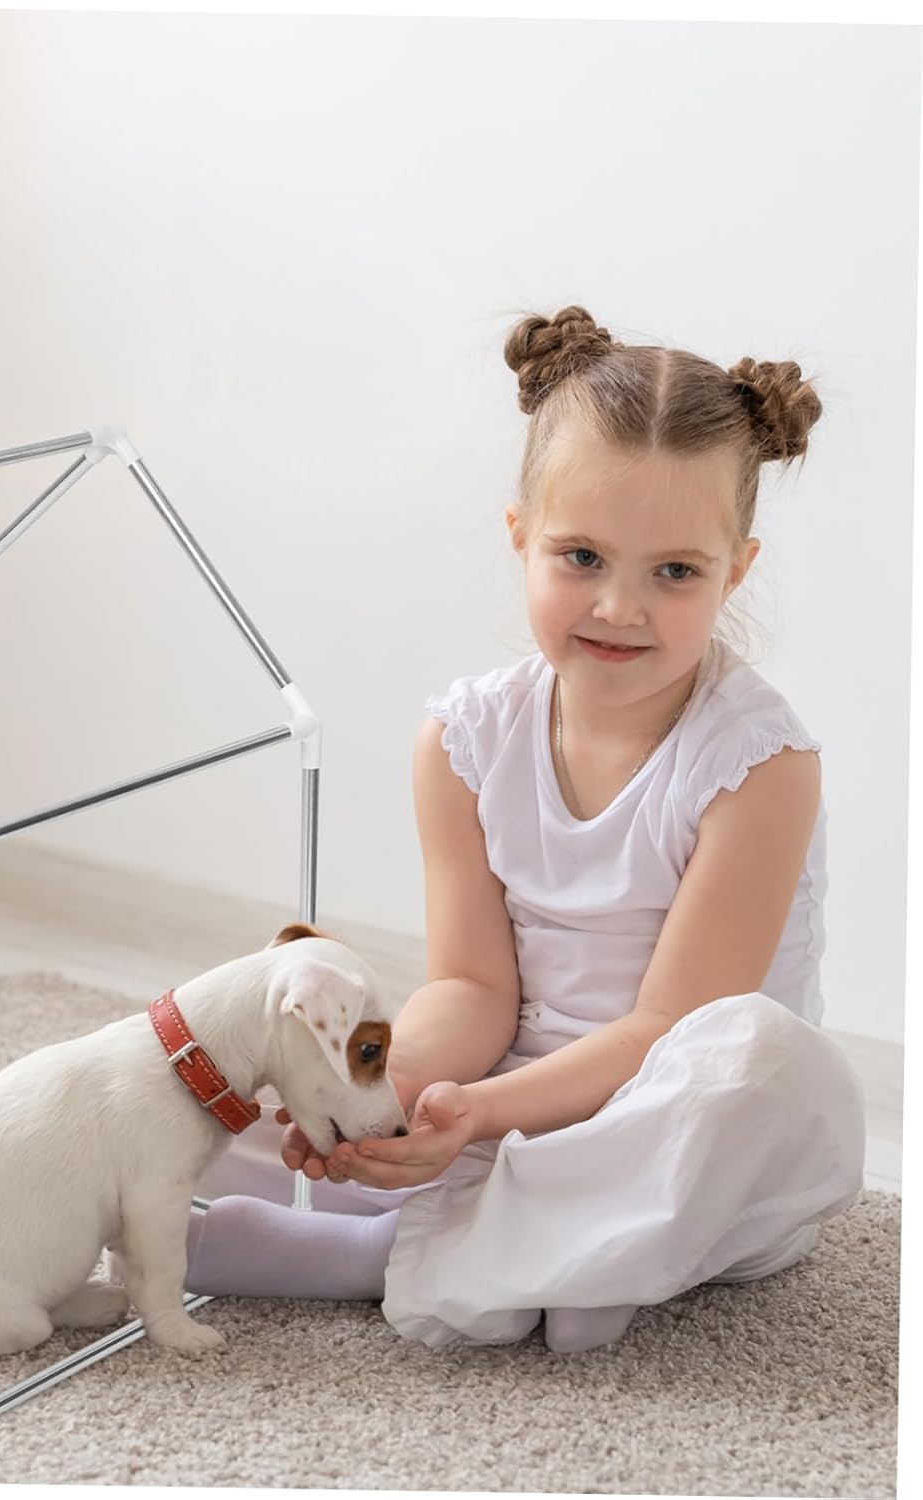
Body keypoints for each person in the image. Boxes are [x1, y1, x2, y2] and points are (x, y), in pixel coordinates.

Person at [180, 305, 867, 1353]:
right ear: (521, 539)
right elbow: (473, 988)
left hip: (671, 1120)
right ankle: (520, 1244)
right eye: (582, 556)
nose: (621, 607)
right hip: (505, 1095)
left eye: (675, 572)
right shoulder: (464, 739)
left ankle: (382, 1257)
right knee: (240, 1064)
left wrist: (483, 1118)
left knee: (768, 1061)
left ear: (735, 571)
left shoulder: (761, 765)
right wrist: (401, 1094)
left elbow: (664, 1029)